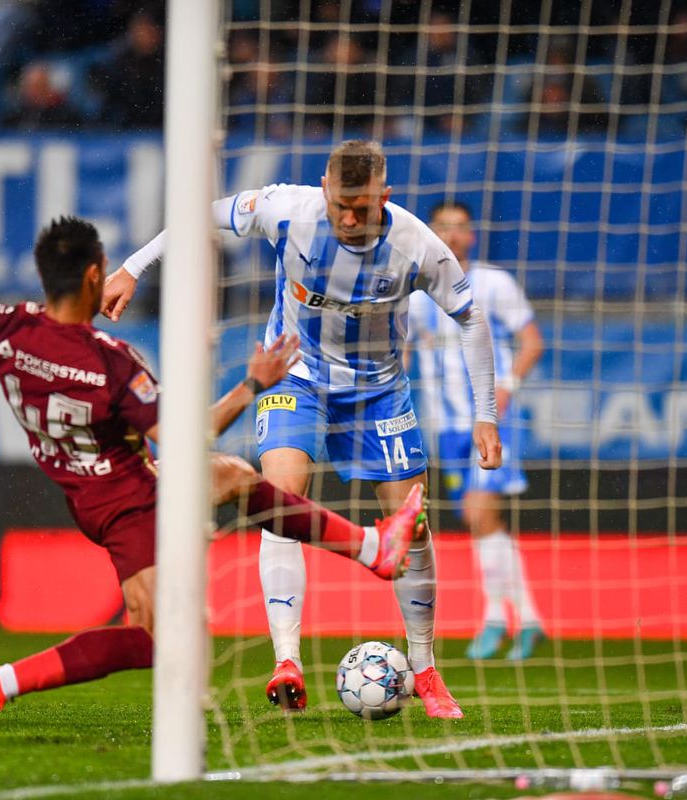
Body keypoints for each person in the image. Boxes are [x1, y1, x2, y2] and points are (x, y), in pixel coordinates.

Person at [0, 216, 426, 739]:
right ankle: (0, 682)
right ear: (97, 275)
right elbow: (185, 436)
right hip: (135, 501)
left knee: (234, 477)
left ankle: (372, 549)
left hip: (92, 493)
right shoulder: (110, 363)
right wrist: (253, 382)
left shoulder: (3, 329)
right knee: (170, 638)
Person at [100, 140, 503, 718]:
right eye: (340, 203)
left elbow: (470, 318)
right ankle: (286, 659)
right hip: (297, 375)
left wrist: (485, 414)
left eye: (361, 208)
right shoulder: (287, 208)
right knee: (282, 500)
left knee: (410, 527)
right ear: (324, 188)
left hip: (380, 392)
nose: (347, 218)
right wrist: (132, 268)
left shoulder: (418, 245)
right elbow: (200, 217)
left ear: (384, 198)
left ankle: (425, 668)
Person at [408, 202, 546, 661]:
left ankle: (495, 619)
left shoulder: (493, 283)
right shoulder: (413, 292)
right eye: (443, 227)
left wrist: (506, 388)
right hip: (445, 426)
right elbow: (403, 351)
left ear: (472, 235)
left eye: (460, 227)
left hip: (489, 420)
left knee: (479, 514)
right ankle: (526, 620)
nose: (452, 234)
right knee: (478, 521)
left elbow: (532, 341)